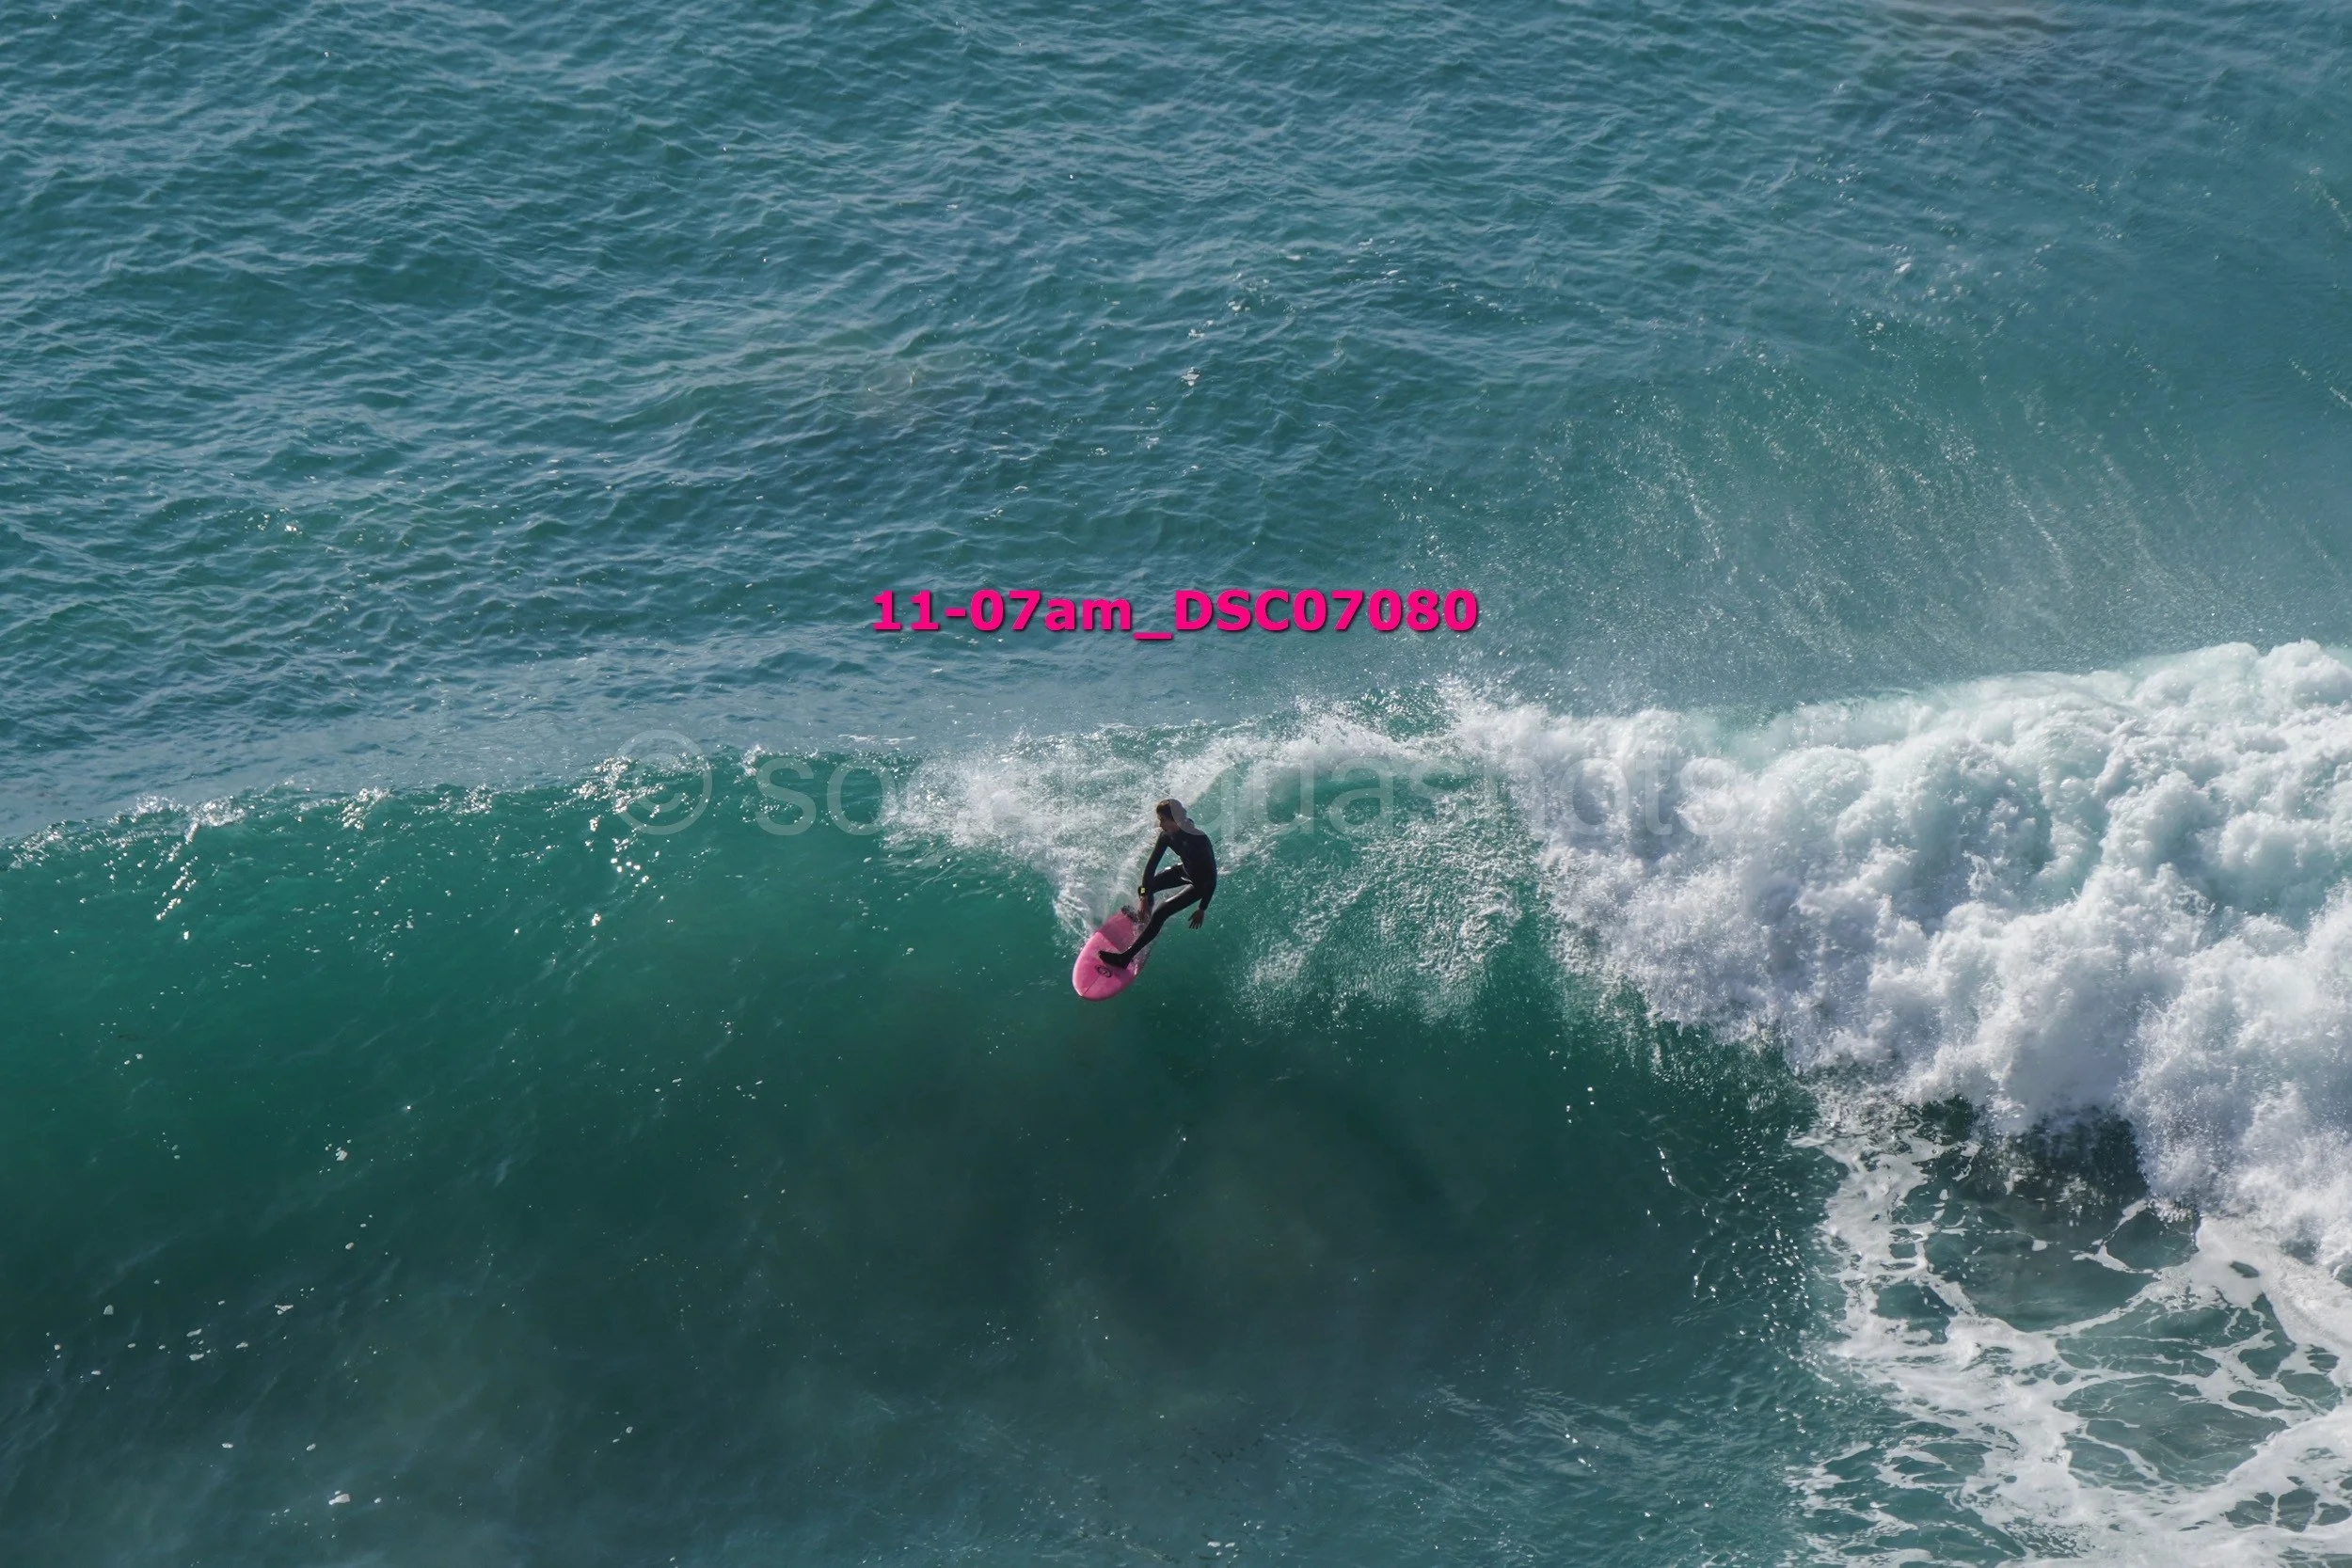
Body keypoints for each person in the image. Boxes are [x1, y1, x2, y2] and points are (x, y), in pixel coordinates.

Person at [1099, 798, 1216, 969]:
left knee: (1161, 913)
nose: (1160, 824)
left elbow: (1212, 878)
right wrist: (1145, 896)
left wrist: (1202, 908)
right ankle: (1144, 920)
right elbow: (1151, 865)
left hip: (1200, 885)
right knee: (1146, 886)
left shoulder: (1199, 840)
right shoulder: (1167, 835)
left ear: (1175, 820)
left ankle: (1126, 958)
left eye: (1163, 820)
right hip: (1184, 871)